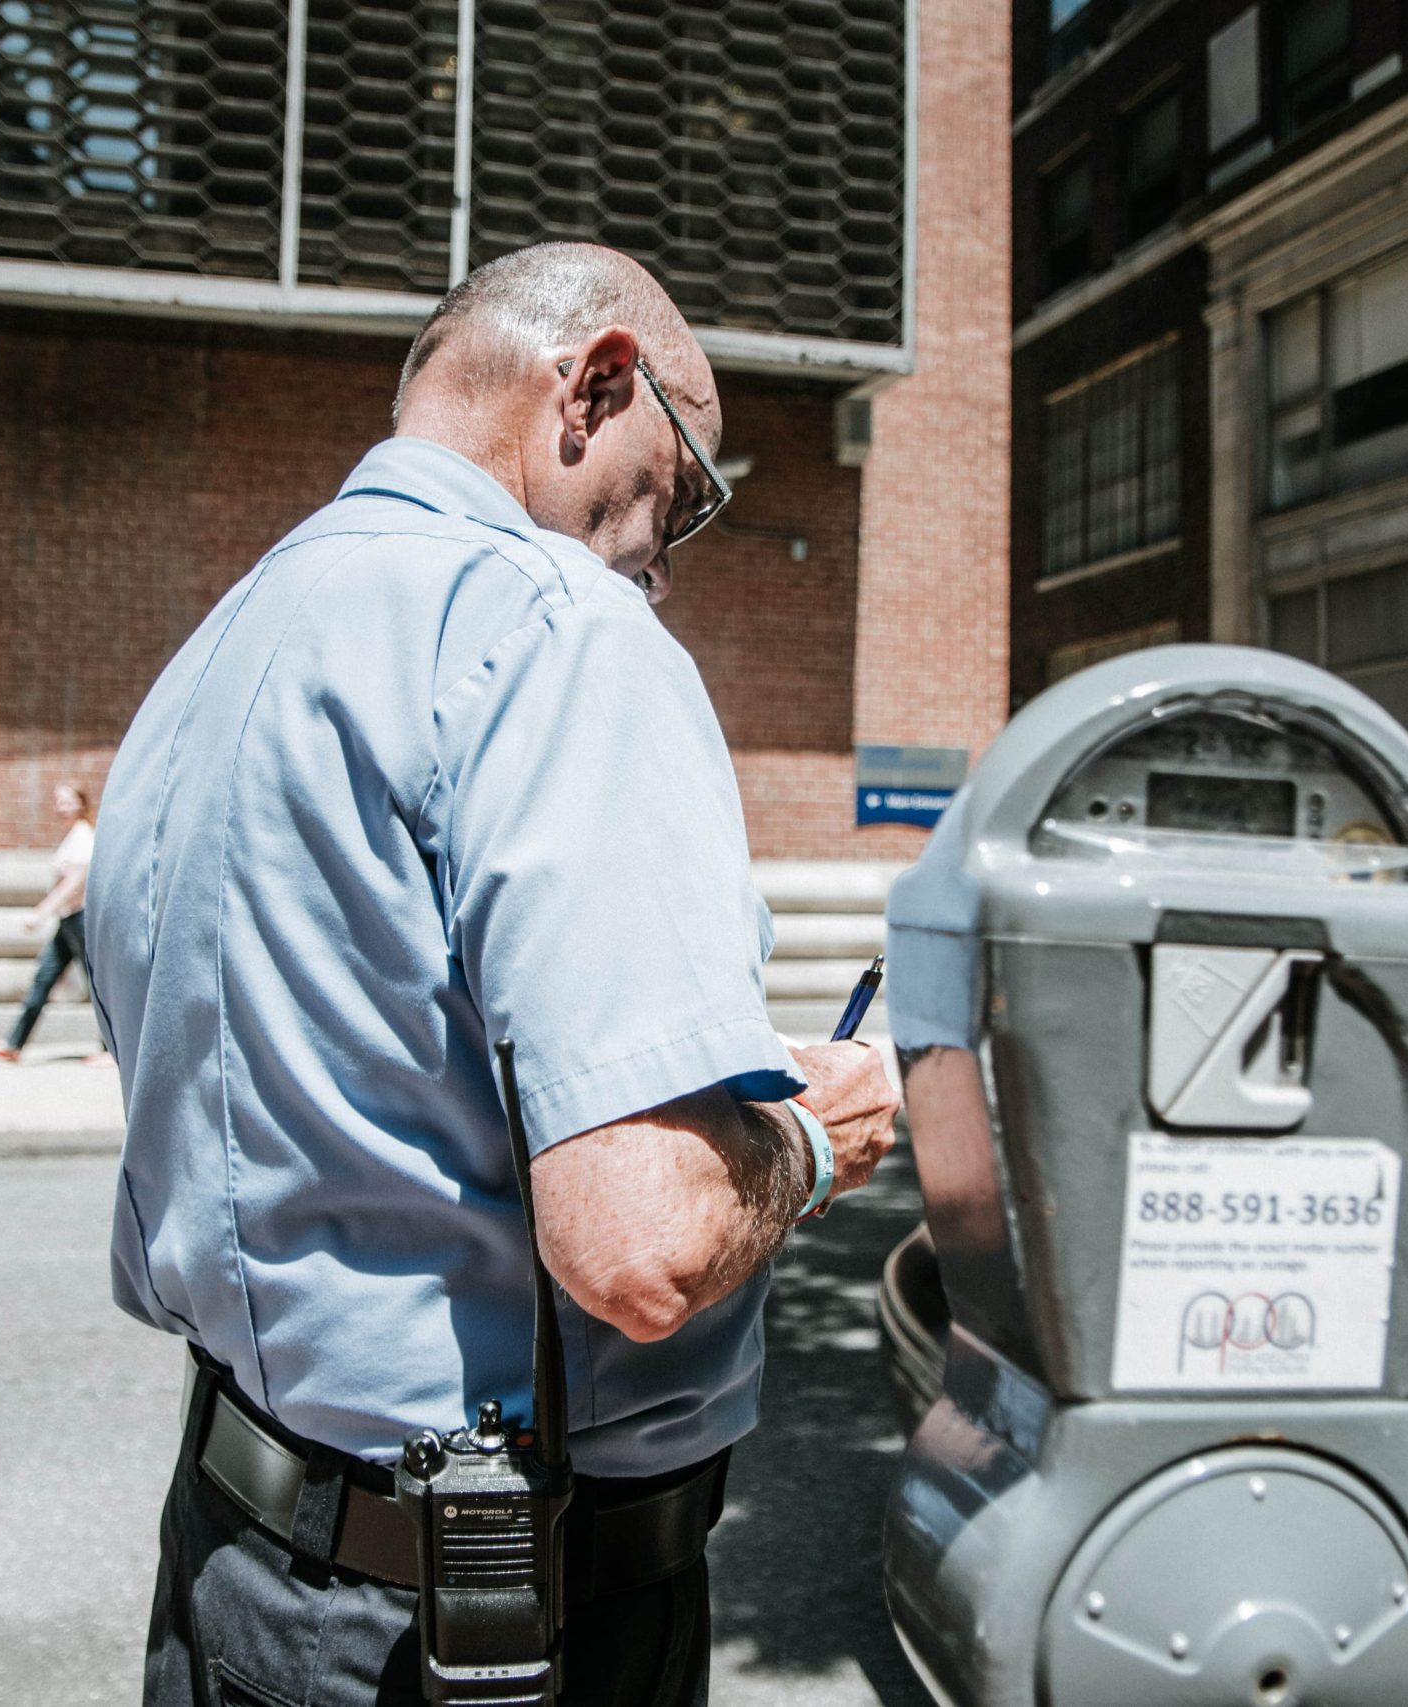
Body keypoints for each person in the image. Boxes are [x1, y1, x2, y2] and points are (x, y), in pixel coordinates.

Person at [83, 242, 902, 1707]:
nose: (671, 552)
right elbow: (638, 1244)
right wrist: (810, 1136)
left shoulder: (229, 635)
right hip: (486, 1626)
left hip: (228, 1555)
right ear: (594, 385)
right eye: (688, 485)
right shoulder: (560, 629)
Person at [0, 782, 95, 1063]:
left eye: (68, 802)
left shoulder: (84, 837)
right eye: (58, 802)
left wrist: (41, 913)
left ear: (82, 803)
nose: (61, 808)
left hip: (81, 919)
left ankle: (111, 1050)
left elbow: (74, 884)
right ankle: (13, 1044)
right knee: (44, 979)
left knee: (98, 986)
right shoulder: (72, 837)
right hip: (67, 922)